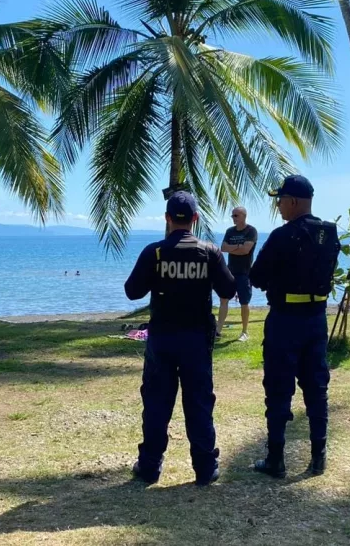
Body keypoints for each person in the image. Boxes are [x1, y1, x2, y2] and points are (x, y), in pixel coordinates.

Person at [124, 191, 236, 486]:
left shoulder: (155, 252)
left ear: (167, 219)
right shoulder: (210, 252)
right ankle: (204, 467)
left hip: (162, 339)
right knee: (198, 401)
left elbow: (132, 291)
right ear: (195, 220)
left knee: (157, 402)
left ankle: (149, 466)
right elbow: (228, 290)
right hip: (197, 340)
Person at [249, 175, 341, 478]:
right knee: (316, 387)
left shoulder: (282, 236)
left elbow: (257, 277)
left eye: (280, 201)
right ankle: (319, 456)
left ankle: (276, 458)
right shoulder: (328, 234)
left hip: (285, 319)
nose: (278, 207)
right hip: (316, 318)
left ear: (292, 201)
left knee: (278, 388)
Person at [217, 207, 258, 342]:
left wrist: (234, 248)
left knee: (244, 302)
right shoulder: (230, 231)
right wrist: (238, 247)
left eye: (236, 215)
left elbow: (246, 250)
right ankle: (218, 330)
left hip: (244, 272)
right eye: (232, 216)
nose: (233, 218)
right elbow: (223, 248)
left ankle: (244, 331)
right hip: (230, 271)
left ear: (243, 216)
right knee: (224, 299)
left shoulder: (251, 231)